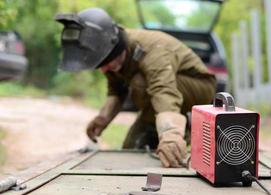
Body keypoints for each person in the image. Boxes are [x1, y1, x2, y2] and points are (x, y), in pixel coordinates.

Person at [55, 8, 216, 168]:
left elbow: (164, 91)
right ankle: (154, 130)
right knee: (130, 149)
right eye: (100, 66)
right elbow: (116, 91)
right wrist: (102, 119)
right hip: (160, 95)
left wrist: (171, 134)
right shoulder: (111, 58)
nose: (103, 70)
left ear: (116, 49)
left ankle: (181, 127)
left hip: (199, 88)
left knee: (140, 83)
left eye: (105, 64)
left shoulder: (151, 49)